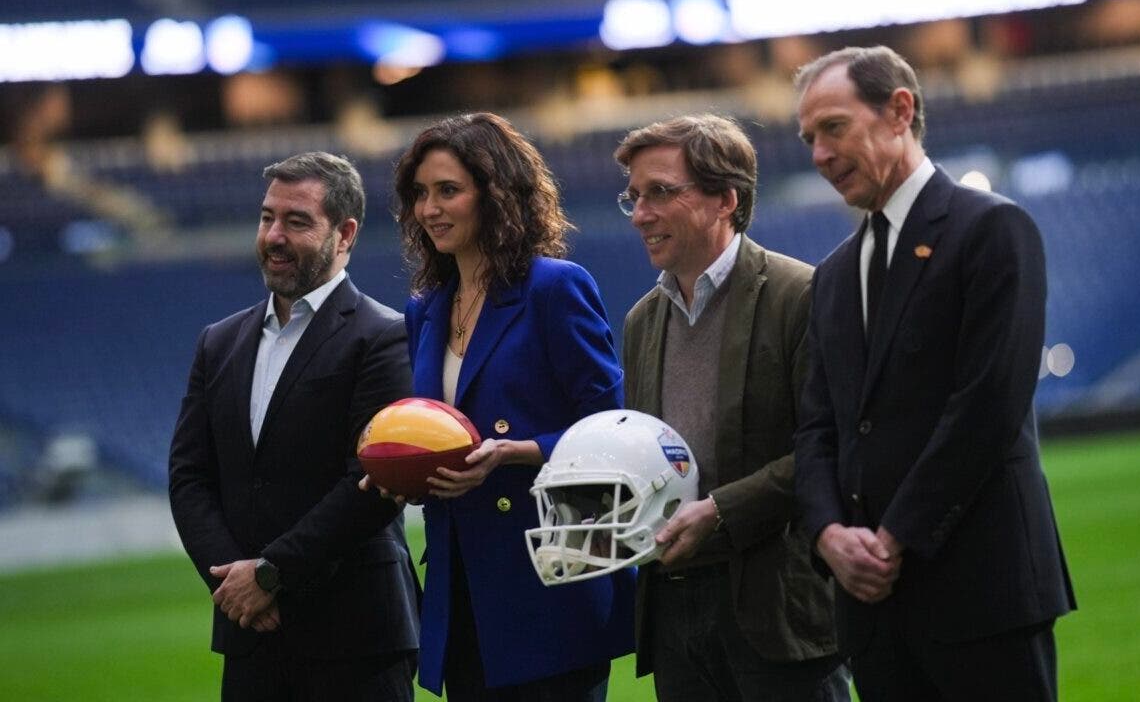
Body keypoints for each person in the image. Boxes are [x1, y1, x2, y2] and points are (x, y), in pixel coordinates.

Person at [792, 46, 1076, 701]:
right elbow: (816, 425)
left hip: (983, 594)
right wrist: (828, 534)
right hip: (872, 613)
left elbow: (990, 404)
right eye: (809, 138)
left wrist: (894, 539)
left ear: (900, 111)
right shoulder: (833, 276)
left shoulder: (993, 228)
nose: (819, 155)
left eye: (833, 127)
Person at [382, 112, 633, 700]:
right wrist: (400, 471)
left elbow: (610, 432)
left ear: (494, 195)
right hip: (460, 590)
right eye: (420, 194)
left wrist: (516, 453)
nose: (429, 208)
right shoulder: (425, 309)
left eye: (448, 190)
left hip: (549, 586)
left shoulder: (554, 287)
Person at [168, 151, 421, 701]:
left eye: (297, 221)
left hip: (357, 638)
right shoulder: (218, 342)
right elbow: (189, 477)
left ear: (345, 233)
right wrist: (233, 584)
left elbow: (374, 483)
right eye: (267, 218)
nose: (274, 236)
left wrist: (271, 574)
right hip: (251, 634)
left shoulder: (382, 337)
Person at [614, 114, 849, 702]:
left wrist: (720, 509)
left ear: (726, 199)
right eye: (634, 197)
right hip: (673, 613)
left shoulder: (800, 294)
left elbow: (832, 449)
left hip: (776, 609)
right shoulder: (642, 321)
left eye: (661, 193)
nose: (641, 214)